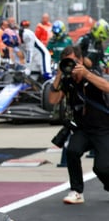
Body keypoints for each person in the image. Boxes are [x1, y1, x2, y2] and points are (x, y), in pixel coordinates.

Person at [47, 45, 109, 204]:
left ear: (80, 60)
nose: (71, 66)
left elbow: (107, 87)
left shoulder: (92, 74)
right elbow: (53, 100)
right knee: (72, 151)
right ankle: (76, 191)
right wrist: (59, 75)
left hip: (103, 128)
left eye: (73, 62)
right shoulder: (67, 81)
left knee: (101, 168)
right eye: (67, 62)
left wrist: (86, 74)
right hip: (82, 128)